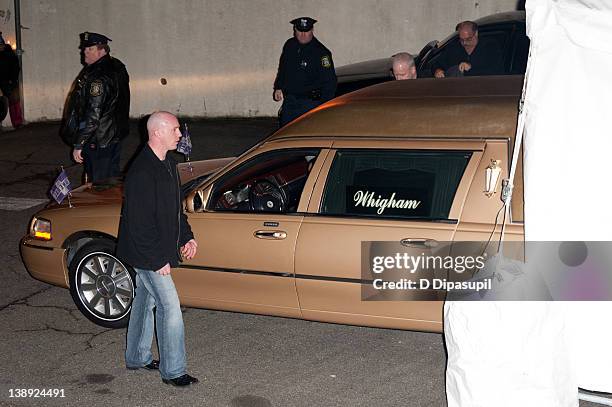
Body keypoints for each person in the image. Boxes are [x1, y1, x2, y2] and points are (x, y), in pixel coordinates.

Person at [117, 111, 199, 387]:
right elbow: (139, 224)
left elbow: (175, 210)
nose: (180, 134)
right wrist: (156, 260)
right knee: (170, 306)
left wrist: (187, 237)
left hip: (155, 251)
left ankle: (137, 357)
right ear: (158, 133)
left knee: (145, 300)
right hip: (147, 253)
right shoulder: (141, 172)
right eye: (175, 129)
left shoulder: (168, 164)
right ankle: (174, 370)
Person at [61, 32, 129, 182]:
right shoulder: (117, 66)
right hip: (113, 134)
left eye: (89, 49)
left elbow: (93, 113)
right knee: (111, 179)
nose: (84, 52)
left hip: (99, 138)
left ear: (102, 50)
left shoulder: (97, 76)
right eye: (84, 49)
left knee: (99, 184)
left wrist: (80, 143)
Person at [273, 17, 337, 127]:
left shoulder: (321, 53)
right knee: (285, 134)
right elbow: (283, 68)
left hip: (310, 103)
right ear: (295, 30)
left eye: (306, 31)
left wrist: (325, 107)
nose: (303, 35)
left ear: (312, 30)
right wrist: (278, 87)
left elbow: (330, 82)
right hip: (290, 101)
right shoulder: (290, 45)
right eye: (300, 31)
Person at [432, 21, 503, 78]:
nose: (465, 43)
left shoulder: (490, 46)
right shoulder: (454, 47)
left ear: (476, 34)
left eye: (468, 39)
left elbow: (495, 70)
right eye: (461, 40)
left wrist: (471, 67)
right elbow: (437, 63)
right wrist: (437, 70)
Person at [0, 32, 24, 129]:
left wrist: (12, 79)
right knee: (7, 103)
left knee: (15, 102)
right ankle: (14, 122)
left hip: (11, 81)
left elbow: (15, 67)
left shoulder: (9, 54)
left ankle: (17, 122)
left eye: (1, 45)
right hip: (3, 82)